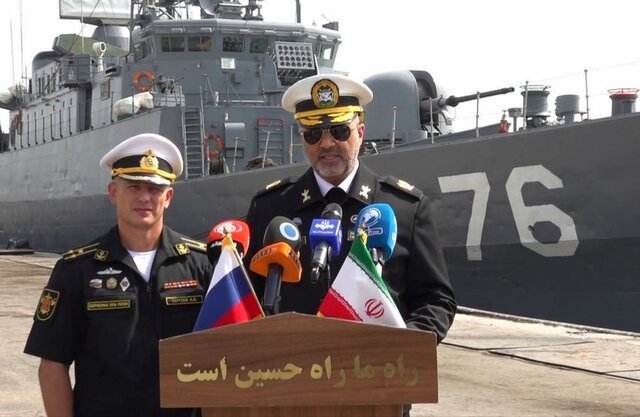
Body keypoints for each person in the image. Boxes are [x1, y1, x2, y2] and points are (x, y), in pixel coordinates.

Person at [245, 74, 456, 415]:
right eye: (313, 134)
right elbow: (247, 299)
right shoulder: (270, 209)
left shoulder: (405, 208)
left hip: (376, 394)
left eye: (339, 131)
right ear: (302, 139)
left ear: (360, 131)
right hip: (290, 392)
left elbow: (436, 300)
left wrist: (400, 349)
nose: (327, 143)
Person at [24, 133, 213, 417]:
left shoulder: (202, 264)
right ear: (113, 192)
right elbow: (52, 364)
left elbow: (231, 351)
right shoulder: (77, 269)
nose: (144, 197)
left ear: (168, 197)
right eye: (133, 187)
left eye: (155, 189)